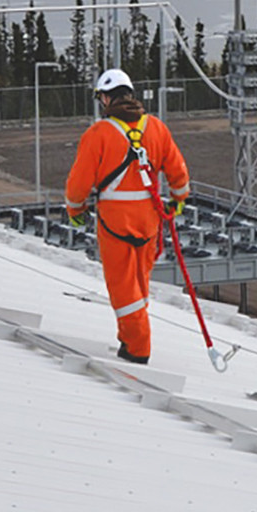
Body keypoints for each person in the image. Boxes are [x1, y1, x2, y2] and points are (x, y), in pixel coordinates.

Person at [63, 68, 190, 364]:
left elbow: (78, 183)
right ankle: (129, 335)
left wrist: (75, 209)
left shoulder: (98, 134)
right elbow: (178, 171)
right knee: (139, 285)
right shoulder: (156, 128)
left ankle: (137, 347)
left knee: (123, 289)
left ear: (106, 99)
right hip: (149, 222)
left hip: (115, 223)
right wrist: (178, 199)